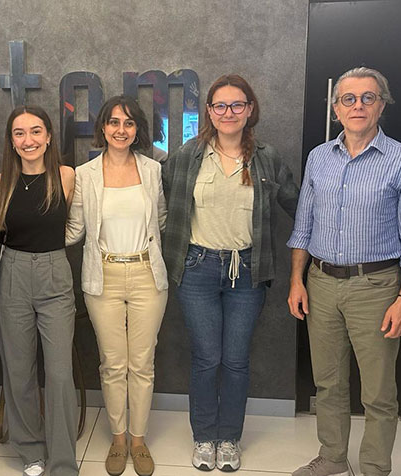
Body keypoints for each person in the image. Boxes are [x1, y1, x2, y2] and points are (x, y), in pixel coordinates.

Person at [287, 67, 401, 476]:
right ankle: (333, 457)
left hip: (376, 288)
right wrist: (297, 280)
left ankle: (374, 467)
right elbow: (303, 227)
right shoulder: (318, 158)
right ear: (336, 109)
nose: (358, 106)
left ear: (382, 105)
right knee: (328, 383)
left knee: (378, 391)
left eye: (368, 98)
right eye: (348, 99)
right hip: (320, 284)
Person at [162, 74, 299, 472]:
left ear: (250, 109)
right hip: (197, 269)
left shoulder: (267, 158)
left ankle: (229, 439)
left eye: (237, 104)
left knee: (236, 360)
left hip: (247, 272)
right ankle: (204, 437)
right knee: (207, 358)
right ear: (209, 112)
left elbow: (298, 206)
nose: (228, 112)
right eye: (220, 105)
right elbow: (164, 200)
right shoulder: (188, 155)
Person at [66, 96, 167, 476]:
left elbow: (161, 219)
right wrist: (31, 236)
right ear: (103, 128)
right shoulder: (85, 174)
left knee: (142, 363)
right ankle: (118, 438)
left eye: (128, 123)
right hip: (103, 276)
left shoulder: (153, 170)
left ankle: (138, 441)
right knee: (112, 364)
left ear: (137, 129)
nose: (120, 130)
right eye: (113, 122)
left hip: (147, 275)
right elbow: (75, 230)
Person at [0, 105, 77, 476]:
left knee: (59, 374)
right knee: (19, 370)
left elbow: (75, 226)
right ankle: (30, 452)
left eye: (36, 131)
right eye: (19, 133)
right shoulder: (1, 183)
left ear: (48, 136)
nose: (28, 140)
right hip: (12, 274)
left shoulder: (66, 176)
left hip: (55, 273)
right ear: (11, 141)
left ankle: (62, 461)